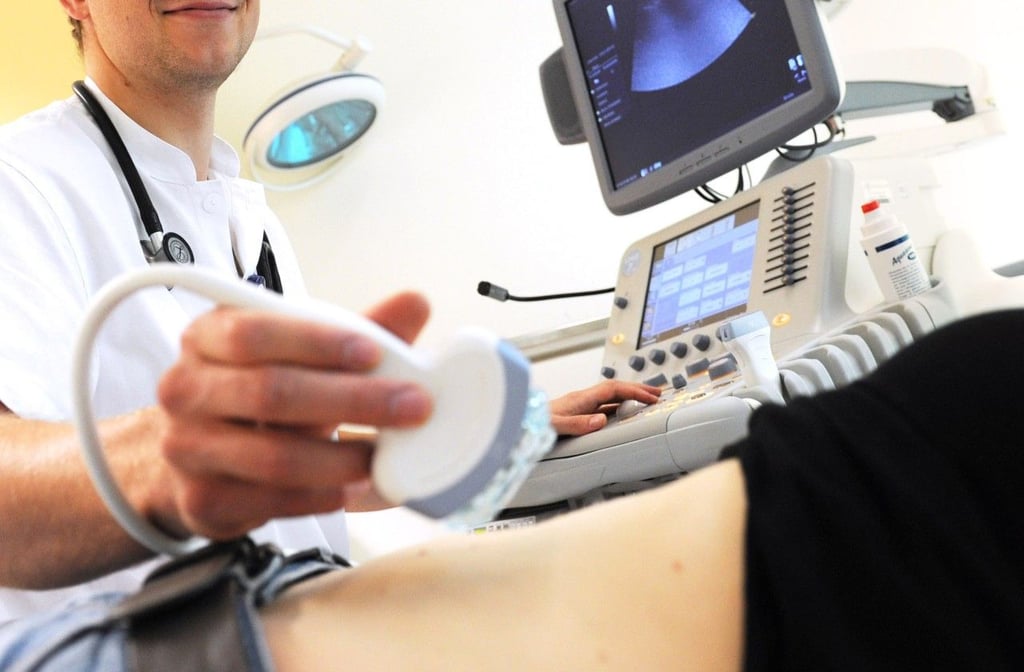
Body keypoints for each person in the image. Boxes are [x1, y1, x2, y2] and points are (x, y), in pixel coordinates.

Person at [0, 0, 661, 624]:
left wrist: (476, 434)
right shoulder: (21, 184)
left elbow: (293, 468)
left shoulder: (249, 221)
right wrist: (167, 461)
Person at [2, 305, 1021, 671]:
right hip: (174, 646)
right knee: (966, 419)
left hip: (277, 610)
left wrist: (506, 439)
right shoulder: (25, 181)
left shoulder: (232, 199)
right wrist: (157, 463)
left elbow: (316, 463)